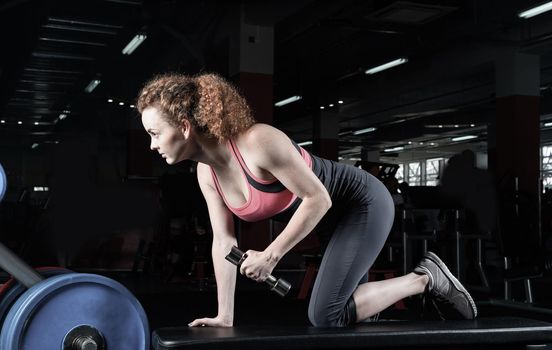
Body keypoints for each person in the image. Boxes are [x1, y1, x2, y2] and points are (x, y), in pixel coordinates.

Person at [136, 72, 477, 327]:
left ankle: (425, 278)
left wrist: (271, 255)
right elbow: (224, 243)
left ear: (183, 127)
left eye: (154, 133)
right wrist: (225, 315)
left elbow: (318, 198)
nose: (152, 145)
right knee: (343, 317)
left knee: (325, 315)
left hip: (361, 202)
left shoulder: (258, 142)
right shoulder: (205, 174)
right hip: (330, 223)